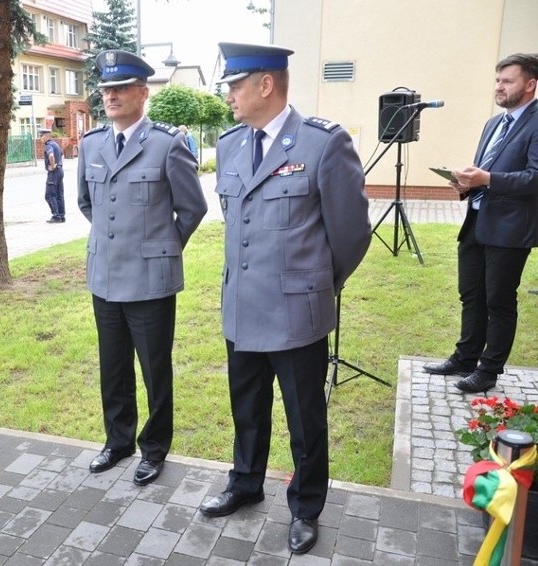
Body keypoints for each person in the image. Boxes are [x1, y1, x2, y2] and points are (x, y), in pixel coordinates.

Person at [198, 43, 370, 555]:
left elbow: (351, 234)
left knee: (304, 417)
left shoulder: (321, 144)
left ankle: (306, 506)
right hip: (242, 307)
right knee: (246, 407)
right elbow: (238, 222)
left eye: (235, 84)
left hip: (298, 311)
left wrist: (318, 282)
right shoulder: (230, 144)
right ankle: (246, 482)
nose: (228, 95)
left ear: (265, 85)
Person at [77, 50, 208, 487]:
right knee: (112, 366)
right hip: (105, 277)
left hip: (151, 283)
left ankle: (154, 449)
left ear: (141, 92)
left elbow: (192, 208)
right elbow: (85, 203)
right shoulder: (92, 143)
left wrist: (159, 249)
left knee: (155, 371)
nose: (111, 97)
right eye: (106, 90)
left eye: (119, 89)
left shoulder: (167, 144)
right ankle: (118, 442)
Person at [423, 53, 538, 394]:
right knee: (471, 295)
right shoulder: (494, 124)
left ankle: (488, 371)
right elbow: (485, 171)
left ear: (530, 84)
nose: (499, 87)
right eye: (497, 80)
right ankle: (464, 358)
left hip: (511, 228)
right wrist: (464, 183)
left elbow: (534, 177)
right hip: (476, 220)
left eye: (508, 81)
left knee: (499, 302)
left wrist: (487, 178)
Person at [40, 129, 65, 223]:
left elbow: (51, 155)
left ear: (46, 136)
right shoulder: (55, 144)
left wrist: (53, 165)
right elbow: (62, 155)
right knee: (59, 195)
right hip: (60, 171)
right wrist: (59, 165)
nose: (40, 138)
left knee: (49, 195)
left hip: (54, 173)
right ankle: (62, 216)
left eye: (41, 136)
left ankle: (56, 215)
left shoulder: (49, 145)